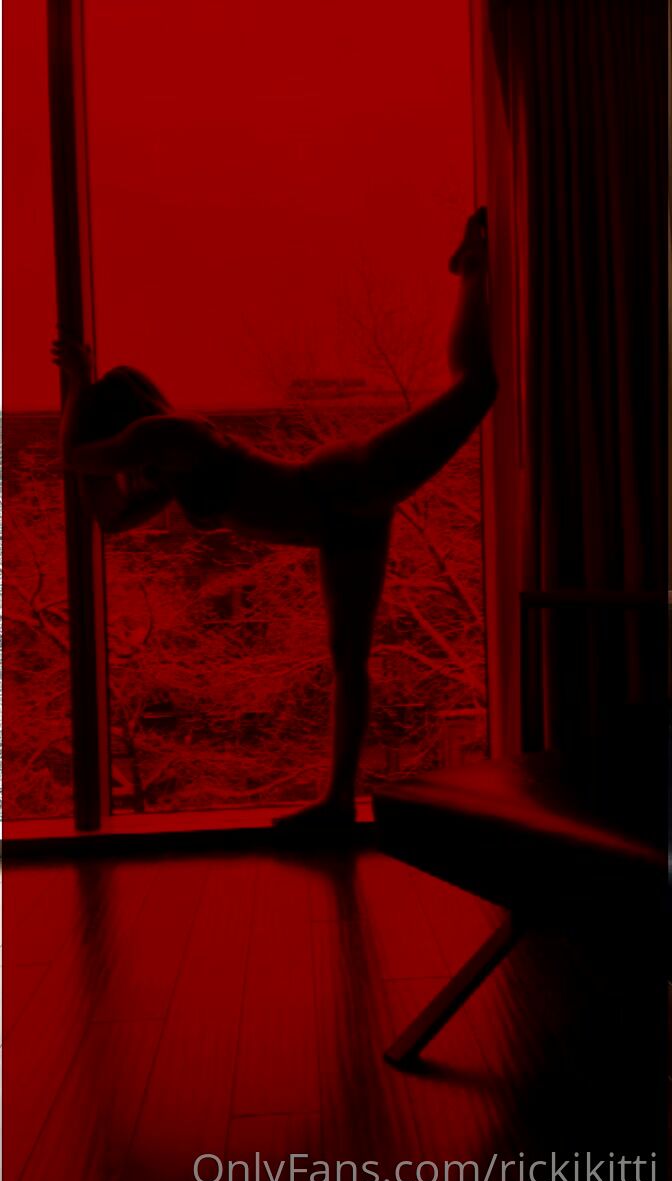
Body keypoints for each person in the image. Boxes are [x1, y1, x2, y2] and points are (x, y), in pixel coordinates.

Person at [53, 209, 496, 834]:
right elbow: (110, 519)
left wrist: (76, 384)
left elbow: (74, 457)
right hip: (337, 523)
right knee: (349, 661)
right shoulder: (173, 470)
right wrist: (81, 403)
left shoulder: (166, 434)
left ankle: (471, 266)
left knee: (476, 388)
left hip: (344, 483)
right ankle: (338, 802)